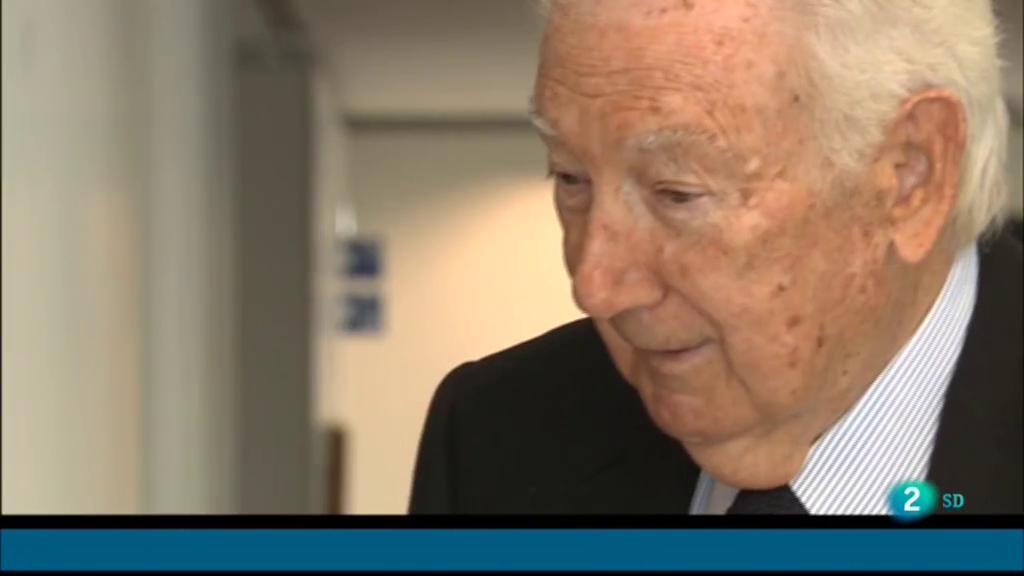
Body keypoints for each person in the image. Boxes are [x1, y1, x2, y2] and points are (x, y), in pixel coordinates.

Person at [410, 0, 1022, 514]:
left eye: (677, 193)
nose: (595, 286)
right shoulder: (496, 436)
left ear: (909, 177)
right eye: (570, 177)